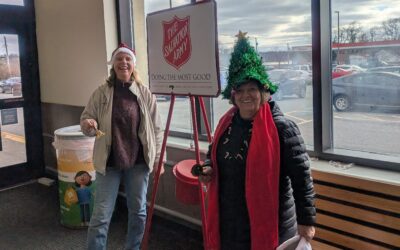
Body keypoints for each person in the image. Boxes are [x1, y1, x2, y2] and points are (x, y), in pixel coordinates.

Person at [198, 32, 316, 250]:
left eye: (252, 89)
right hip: (230, 222)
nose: (246, 95)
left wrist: (306, 221)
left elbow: (302, 179)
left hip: (271, 224)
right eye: (240, 90)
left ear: (264, 92)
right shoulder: (226, 124)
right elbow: (212, 153)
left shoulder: (283, 129)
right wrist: (208, 168)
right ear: (233, 96)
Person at [80, 43, 164, 250]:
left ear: (133, 65)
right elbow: (86, 120)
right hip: (109, 162)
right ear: (113, 65)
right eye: (119, 59)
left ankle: (133, 248)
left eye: (128, 60)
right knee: (101, 215)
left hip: (138, 162)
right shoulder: (101, 93)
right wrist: (89, 126)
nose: (123, 63)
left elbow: (157, 129)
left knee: (138, 212)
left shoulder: (145, 94)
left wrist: (158, 159)